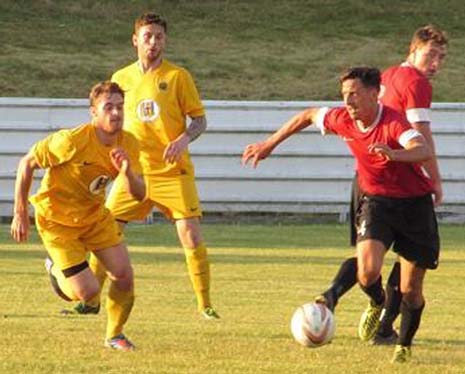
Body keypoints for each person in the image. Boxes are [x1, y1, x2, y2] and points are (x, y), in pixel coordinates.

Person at [242, 67, 439, 363]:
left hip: (414, 206)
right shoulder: (343, 119)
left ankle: (403, 345)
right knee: (367, 271)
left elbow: (421, 149)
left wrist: (394, 153)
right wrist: (268, 145)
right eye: (344, 95)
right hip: (377, 202)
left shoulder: (393, 122)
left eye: (354, 94)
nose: (348, 101)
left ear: (375, 93)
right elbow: (307, 115)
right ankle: (378, 302)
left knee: (412, 289)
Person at [71, 12, 219, 320]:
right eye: (147, 36)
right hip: (133, 171)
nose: (153, 42)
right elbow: (108, 118)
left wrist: (182, 140)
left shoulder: (178, 77)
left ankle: (205, 304)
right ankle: (91, 301)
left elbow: (200, 120)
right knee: (105, 230)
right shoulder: (121, 78)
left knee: (190, 235)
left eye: (159, 37)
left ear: (165, 41)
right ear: (135, 40)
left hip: (171, 169)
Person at [315, 24, 448, 345]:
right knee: (399, 260)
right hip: (396, 177)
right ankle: (384, 322)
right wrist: (435, 179)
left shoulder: (388, 75)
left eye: (441, 58)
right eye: (430, 55)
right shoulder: (416, 83)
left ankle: (372, 316)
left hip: (369, 173)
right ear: (412, 49)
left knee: (374, 258)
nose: (436, 64)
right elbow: (420, 133)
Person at [10, 81, 146, 351]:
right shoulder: (70, 141)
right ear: (93, 112)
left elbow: (140, 194)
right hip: (58, 222)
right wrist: (20, 211)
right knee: (87, 293)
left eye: (120, 107)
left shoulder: (128, 143)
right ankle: (54, 267)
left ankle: (115, 335)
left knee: (124, 275)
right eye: (108, 107)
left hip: (95, 216)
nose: (116, 113)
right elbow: (27, 164)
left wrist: (127, 171)